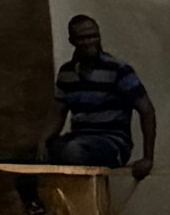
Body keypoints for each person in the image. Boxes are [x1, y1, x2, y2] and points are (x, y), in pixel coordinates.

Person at [47, 12, 154, 192]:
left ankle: (84, 211)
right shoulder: (67, 73)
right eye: (83, 38)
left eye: (94, 36)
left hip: (112, 143)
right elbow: (58, 111)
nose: (90, 42)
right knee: (24, 157)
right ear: (72, 41)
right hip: (79, 138)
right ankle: (37, 211)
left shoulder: (118, 70)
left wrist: (148, 158)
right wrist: (44, 140)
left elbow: (147, 110)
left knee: (73, 151)